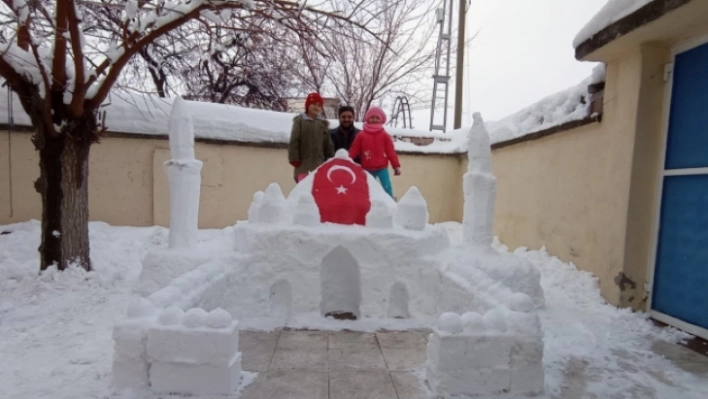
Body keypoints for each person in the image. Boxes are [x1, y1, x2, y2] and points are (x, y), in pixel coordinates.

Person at [348, 106, 401, 197]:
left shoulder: (384, 135)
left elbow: (391, 151)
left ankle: (391, 204)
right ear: (368, 119)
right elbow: (354, 149)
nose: (374, 120)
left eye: (377, 118)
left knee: (386, 187)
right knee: (366, 189)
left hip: (382, 168)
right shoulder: (361, 135)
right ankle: (367, 206)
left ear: (381, 120)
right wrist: (346, 159)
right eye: (372, 117)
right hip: (367, 168)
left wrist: (396, 166)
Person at [288, 93, 335, 183]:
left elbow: (328, 143)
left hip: (319, 165)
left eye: (319, 105)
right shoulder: (299, 121)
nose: (316, 107)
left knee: (317, 192)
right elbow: (294, 140)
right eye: (314, 104)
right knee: (304, 191)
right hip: (303, 166)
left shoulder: (323, 123)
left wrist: (331, 158)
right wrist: (294, 158)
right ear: (307, 105)